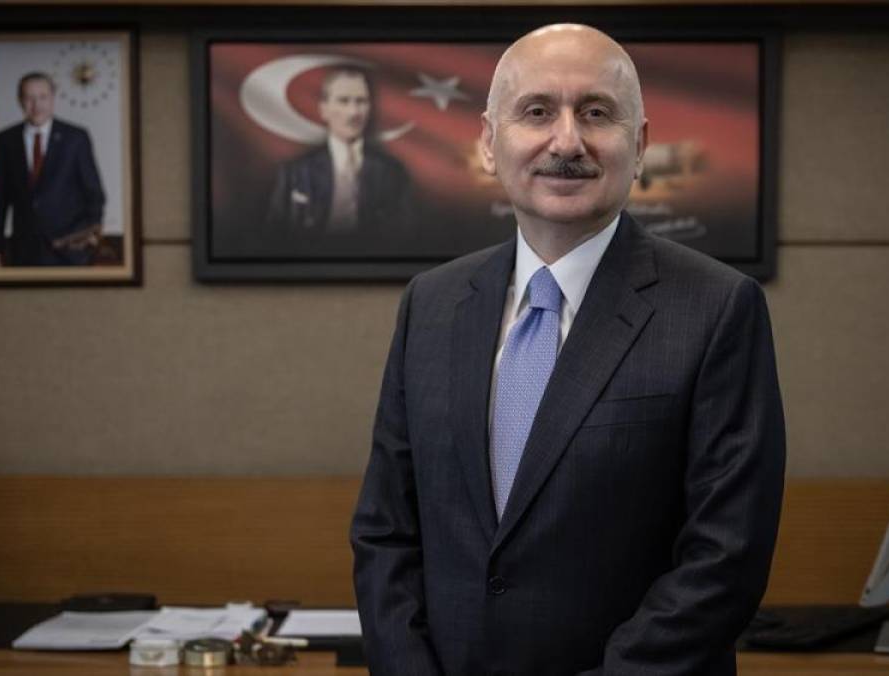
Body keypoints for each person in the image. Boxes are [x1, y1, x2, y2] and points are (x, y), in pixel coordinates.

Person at [350, 24, 785, 676]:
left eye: (596, 113)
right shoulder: (431, 305)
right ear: (489, 142)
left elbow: (727, 556)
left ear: (640, 145)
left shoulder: (719, 309)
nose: (566, 141)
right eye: (536, 112)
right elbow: (385, 531)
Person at [265, 66, 413, 253]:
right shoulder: (294, 172)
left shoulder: (392, 172)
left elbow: (403, 238)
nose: (353, 112)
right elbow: (274, 238)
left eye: (361, 101)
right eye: (343, 101)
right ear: (324, 109)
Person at [0, 72, 105, 267]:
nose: (36, 105)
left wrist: (87, 239)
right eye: (29, 98)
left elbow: (94, 194)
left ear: (53, 98)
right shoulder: (6, 140)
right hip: (24, 251)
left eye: (43, 97)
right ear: (20, 101)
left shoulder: (76, 138)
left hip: (71, 253)